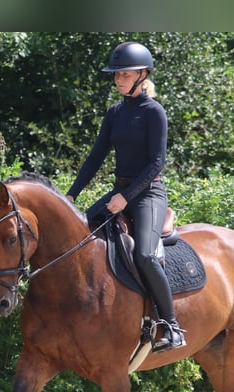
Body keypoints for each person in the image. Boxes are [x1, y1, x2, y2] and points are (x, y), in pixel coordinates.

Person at [66, 41, 185, 353]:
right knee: (78, 234)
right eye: (115, 74)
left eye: (124, 74)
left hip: (148, 193)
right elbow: (95, 158)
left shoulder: (154, 113)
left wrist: (125, 197)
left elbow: (156, 163)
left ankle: (171, 325)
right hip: (120, 191)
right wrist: (70, 196)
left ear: (142, 75)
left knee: (145, 254)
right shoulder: (115, 113)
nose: (118, 79)